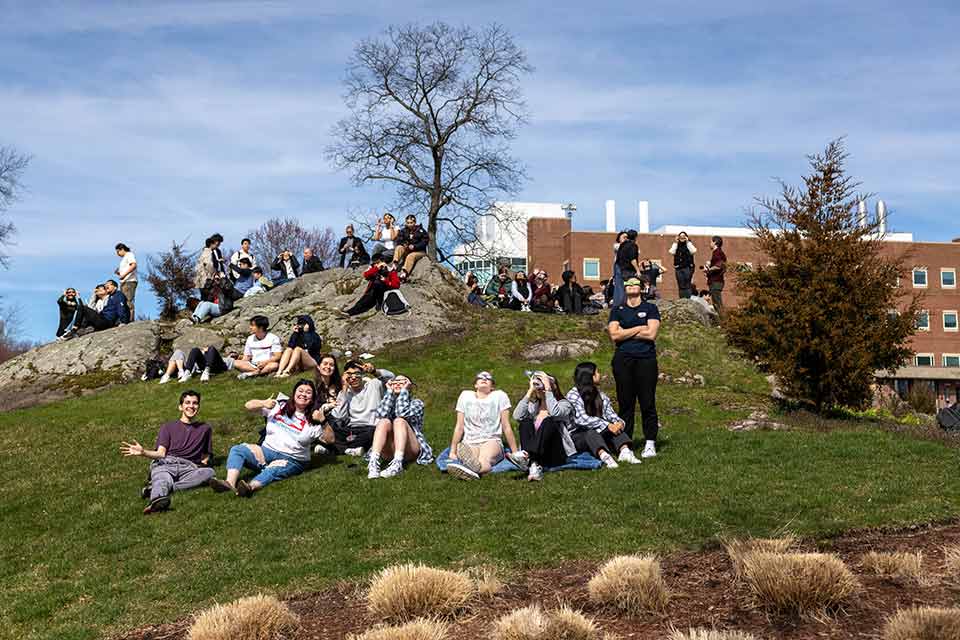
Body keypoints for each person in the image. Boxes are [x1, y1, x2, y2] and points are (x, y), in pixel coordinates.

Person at [211, 379, 326, 497]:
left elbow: (330, 439)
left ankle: (249, 487)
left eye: (308, 392)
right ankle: (229, 483)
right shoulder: (280, 405)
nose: (303, 394)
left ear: (312, 398)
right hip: (267, 451)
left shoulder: (314, 418)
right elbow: (248, 406)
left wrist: (323, 421)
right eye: (300, 390)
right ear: (294, 393)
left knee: (273, 470)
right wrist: (263, 403)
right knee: (238, 450)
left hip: (292, 459)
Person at [120, 390, 223, 514]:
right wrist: (143, 452)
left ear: (198, 407)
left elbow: (206, 455)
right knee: (162, 477)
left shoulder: (205, 428)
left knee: (209, 472)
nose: (191, 406)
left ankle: (155, 488)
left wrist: (203, 463)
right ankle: (157, 500)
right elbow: (161, 454)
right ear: (181, 407)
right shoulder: (168, 427)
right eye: (187, 403)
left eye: (195, 403)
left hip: (189, 467)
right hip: (166, 463)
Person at [607, 276, 661, 457]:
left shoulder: (650, 308)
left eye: (634, 284)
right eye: (627, 284)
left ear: (641, 287)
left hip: (646, 359)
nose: (630, 287)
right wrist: (639, 328)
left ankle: (650, 443)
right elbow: (614, 335)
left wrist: (626, 332)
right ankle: (625, 445)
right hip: (623, 360)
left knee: (647, 401)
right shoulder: (618, 310)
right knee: (625, 403)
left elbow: (651, 334)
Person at [447, 371, 521, 481]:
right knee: (471, 458)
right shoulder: (465, 396)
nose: (484, 378)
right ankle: (473, 469)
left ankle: (470, 471)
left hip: (491, 440)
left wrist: (515, 453)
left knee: (483, 459)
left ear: (492, 387)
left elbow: (506, 426)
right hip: (470, 440)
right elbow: (459, 426)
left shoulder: (499, 396)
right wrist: (452, 452)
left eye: (488, 378)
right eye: (480, 377)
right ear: (475, 385)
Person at [566, 361, 642, 468]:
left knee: (615, 428)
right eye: (597, 373)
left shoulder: (601, 395)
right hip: (579, 435)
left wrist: (619, 423)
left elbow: (610, 414)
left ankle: (625, 451)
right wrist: (607, 425)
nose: (599, 375)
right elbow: (581, 420)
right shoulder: (573, 395)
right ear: (589, 376)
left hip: (599, 430)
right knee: (591, 433)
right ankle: (605, 456)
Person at [507, 371, 577, 482]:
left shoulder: (564, 404)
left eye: (542, 385)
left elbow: (555, 413)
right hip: (538, 456)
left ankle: (528, 458)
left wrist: (548, 390)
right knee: (526, 421)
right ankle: (533, 464)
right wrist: (529, 392)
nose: (539, 388)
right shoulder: (534, 406)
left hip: (555, 453)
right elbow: (517, 416)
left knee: (549, 421)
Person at [322, 360, 395, 457]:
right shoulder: (345, 392)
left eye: (356, 374)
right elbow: (339, 416)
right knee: (331, 426)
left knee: (373, 433)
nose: (353, 378)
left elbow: (391, 378)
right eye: (349, 375)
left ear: (362, 374)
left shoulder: (374, 384)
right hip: (352, 429)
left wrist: (374, 371)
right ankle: (350, 450)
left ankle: (335, 449)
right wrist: (344, 388)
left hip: (370, 427)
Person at [367, 374, 434, 478]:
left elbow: (401, 412)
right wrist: (389, 392)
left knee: (399, 421)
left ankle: (397, 464)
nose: (397, 383)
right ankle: (373, 463)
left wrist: (404, 391)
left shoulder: (417, 403)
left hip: (409, 449)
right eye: (395, 381)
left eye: (403, 381)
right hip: (388, 451)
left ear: (409, 386)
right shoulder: (388, 401)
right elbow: (381, 414)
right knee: (384, 421)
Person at [234, 315, 283, 379]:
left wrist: (265, 362)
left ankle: (251, 374)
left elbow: (277, 356)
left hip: (267, 363)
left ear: (261, 327)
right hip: (253, 364)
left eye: (253, 325)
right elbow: (247, 356)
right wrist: (242, 362)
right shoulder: (250, 338)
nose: (250, 327)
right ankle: (259, 373)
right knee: (235, 362)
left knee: (274, 365)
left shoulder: (273, 338)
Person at [703, 235, 727, 316]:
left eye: (711, 242)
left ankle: (724, 323)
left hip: (716, 281)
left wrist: (708, 269)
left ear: (715, 242)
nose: (710, 244)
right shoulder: (716, 253)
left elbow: (719, 266)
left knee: (717, 304)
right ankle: (723, 322)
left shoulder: (718, 253)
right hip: (715, 281)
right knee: (716, 303)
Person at [669, 231, 697, 299]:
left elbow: (693, 251)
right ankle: (682, 298)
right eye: (680, 236)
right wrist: (675, 242)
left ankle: (688, 298)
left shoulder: (689, 244)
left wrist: (687, 242)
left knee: (687, 284)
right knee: (681, 285)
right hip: (678, 267)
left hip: (687, 267)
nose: (682, 238)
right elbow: (671, 252)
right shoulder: (676, 245)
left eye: (684, 236)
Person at [115, 243, 138, 320]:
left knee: (128, 300)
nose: (117, 254)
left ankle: (130, 319)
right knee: (123, 300)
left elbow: (133, 265)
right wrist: (119, 273)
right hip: (125, 281)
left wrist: (124, 275)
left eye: (118, 252)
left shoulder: (129, 255)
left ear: (122, 249)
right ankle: (126, 318)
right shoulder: (125, 258)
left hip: (129, 281)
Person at [611, 231, 628, 307]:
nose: (626, 239)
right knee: (619, 285)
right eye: (624, 237)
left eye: (627, 237)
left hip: (627, 267)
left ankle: (625, 302)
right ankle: (618, 303)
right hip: (619, 266)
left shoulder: (630, 246)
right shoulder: (617, 245)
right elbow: (621, 247)